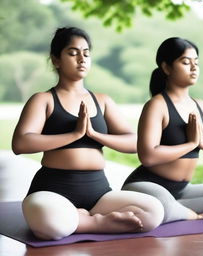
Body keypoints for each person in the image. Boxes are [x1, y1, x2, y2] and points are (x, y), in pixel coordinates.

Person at [12, 27, 164, 240]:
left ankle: (79, 219)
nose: (81, 59)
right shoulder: (43, 100)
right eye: (73, 53)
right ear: (56, 60)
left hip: (98, 193)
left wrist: (95, 135)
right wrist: (73, 135)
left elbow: (133, 143)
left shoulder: (102, 100)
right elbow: (21, 143)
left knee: (154, 211)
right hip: (53, 190)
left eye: (86, 53)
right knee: (47, 223)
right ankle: (97, 222)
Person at [122, 37, 203, 223]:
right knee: (161, 203)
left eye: (196, 62)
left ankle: (175, 211)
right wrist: (190, 144)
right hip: (146, 186)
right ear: (166, 68)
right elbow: (148, 156)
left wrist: (202, 143)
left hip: (182, 189)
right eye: (186, 62)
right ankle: (180, 212)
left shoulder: (201, 106)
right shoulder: (157, 105)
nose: (194, 67)